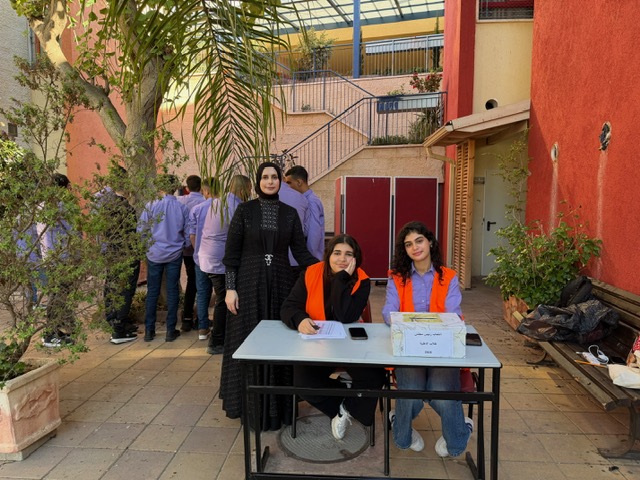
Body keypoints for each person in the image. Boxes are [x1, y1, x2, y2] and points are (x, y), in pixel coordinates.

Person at [221, 161, 318, 429]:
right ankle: (250, 409)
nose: (270, 181)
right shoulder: (244, 211)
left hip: (281, 286)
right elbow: (231, 255)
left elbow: (301, 252)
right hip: (247, 286)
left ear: (280, 181)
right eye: (265, 177)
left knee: (279, 344)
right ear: (258, 181)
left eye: (274, 177)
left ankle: (279, 410)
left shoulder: (289, 214)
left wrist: (327, 268)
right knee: (248, 343)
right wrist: (230, 288)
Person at [382, 221, 473, 457]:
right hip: (410, 346)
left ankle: (457, 438)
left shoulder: (448, 277)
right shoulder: (396, 278)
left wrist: (420, 324)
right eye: (408, 244)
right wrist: (399, 321)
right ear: (405, 250)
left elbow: (453, 315)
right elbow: (389, 310)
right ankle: (402, 434)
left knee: (440, 391)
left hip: (441, 347)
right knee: (411, 391)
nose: (415, 247)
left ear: (430, 242)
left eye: (419, 241)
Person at [281, 234, 386, 440]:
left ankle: (346, 405)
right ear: (328, 255)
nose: (342, 259)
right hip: (318, 344)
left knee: (375, 376)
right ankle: (343, 405)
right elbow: (288, 307)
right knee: (303, 383)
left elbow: (345, 316)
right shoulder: (311, 273)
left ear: (355, 258)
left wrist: (341, 279)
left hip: (350, 346)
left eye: (348, 254)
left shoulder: (362, 280)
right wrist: (300, 319)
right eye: (337, 253)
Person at [197, 174, 251, 354]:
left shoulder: (217, 202)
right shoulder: (236, 206)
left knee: (219, 297)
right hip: (220, 260)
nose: (250, 193)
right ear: (243, 190)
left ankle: (220, 337)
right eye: (249, 190)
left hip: (207, 256)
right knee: (223, 300)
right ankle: (217, 341)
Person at [138, 174, 189, 342]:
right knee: (172, 290)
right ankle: (170, 329)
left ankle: (149, 330)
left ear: (159, 187)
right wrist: (184, 245)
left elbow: (141, 230)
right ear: (174, 187)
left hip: (154, 253)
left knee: (152, 291)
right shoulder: (181, 208)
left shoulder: (150, 205)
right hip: (174, 253)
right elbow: (188, 232)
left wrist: (147, 247)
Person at [95, 164, 140, 344]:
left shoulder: (105, 205)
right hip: (125, 252)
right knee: (124, 289)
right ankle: (119, 329)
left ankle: (114, 321)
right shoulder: (126, 208)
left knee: (111, 286)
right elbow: (132, 233)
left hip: (112, 251)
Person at [177, 175, 207, 332]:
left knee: (191, 282)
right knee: (201, 285)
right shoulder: (205, 202)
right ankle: (199, 319)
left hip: (185, 250)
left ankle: (187, 318)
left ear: (187, 188)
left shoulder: (180, 201)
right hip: (201, 249)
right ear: (201, 187)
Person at [285, 165, 325, 259]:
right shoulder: (303, 200)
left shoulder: (311, 201)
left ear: (299, 182)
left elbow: (313, 232)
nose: (288, 187)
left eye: (289, 183)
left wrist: (309, 258)